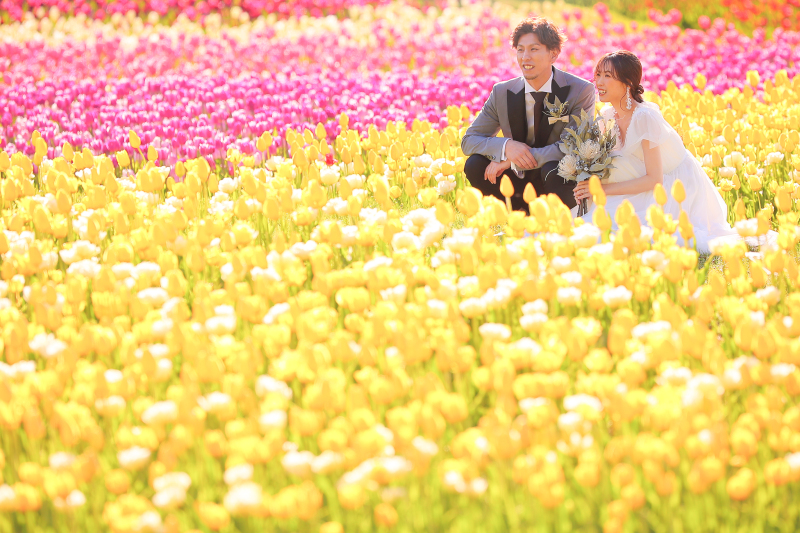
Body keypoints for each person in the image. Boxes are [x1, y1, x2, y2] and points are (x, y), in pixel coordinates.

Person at [574, 50, 745, 254]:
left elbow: (654, 179)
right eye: (598, 75)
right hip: (634, 185)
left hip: (671, 189)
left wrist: (601, 191)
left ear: (628, 83)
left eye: (607, 76)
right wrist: (589, 185)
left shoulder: (645, 117)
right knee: (586, 229)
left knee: (615, 234)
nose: (599, 82)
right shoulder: (608, 115)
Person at [461, 17, 596, 212]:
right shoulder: (502, 92)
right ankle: (513, 215)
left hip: (553, 177)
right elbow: (469, 140)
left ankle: (554, 218)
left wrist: (515, 160)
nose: (525, 57)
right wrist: (507, 147)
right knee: (475, 164)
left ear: (554, 54)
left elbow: (573, 145)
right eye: (520, 49)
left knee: (555, 169)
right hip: (517, 181)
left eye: (534, 49)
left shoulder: (580, 90)